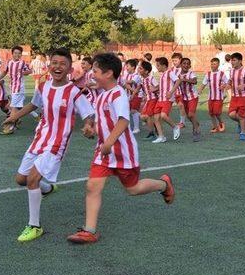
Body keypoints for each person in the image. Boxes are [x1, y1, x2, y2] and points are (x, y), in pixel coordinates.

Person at [67, 53, 175, 244]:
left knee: (133, 189)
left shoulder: (118, 94)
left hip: (123, 153)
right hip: (103, 153)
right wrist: (92, 130)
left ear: (108, 73)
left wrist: (109, 142)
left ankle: (164, 184)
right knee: (92, 186)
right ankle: (89, 230)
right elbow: (104, 123)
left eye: (96, 71)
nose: (92, 75)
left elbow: (123, 120)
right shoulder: (101, 96)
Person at [4, 48, 95, 243]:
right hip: (39, 139)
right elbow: (33, 105)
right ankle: (46, 189)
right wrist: (14, 117)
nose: (58, 67)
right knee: (21, 179)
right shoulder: (43, 87)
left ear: (70, 68)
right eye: (54, 63)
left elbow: (88, 114)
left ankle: (34, 226)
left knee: (32, 180)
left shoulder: (74, 92)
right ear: (49, 65)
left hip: (57, 144)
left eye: (63, 64)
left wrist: (88, 126)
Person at [0, 45, 32, 134]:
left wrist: (23, 72)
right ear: (12, 54)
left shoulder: (22, 63)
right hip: (12, 87)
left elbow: (30, 71)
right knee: (17, 107)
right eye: (15, 53)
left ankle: (10, 127)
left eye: (19, 53)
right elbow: (4, 72)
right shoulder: (9, 62)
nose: (17, 55)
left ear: (21, 54)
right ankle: (17, 119)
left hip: (19, 88)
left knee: (13, 107)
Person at [152, 57, 180, 143]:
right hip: (160, 99)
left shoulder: (169, 72)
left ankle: (175, 127)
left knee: (163, 115)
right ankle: (161, 137)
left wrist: (171, 92)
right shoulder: (162, 74)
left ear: (164, 66)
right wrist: (155, 89)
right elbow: (162, 86)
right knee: (156, 118)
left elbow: (178, 81)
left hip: (167, 99)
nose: (157, 67)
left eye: (158, 65)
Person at [228, 52, 245, 141]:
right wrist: (227, 84)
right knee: (231, 115)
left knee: (242, 115)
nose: (232, 62)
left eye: (234, 60)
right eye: (231, 60)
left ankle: (243, 133)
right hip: (234, 96)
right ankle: (241, 122)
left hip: (243, 96)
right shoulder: (231, 70)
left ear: (240, 61)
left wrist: (244, 86)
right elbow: (230, 80)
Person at [198, 57, 228, 133]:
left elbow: (228, 83)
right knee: (211, 113)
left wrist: (224, 86)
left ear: (218, 65)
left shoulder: (222, 74)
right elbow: (203, 83)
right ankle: (215, 127)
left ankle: (221, 123)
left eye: (215, 64)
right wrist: (199, 90)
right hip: (211, 97)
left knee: (217, 112)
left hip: (219, 97)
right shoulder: (208, 74)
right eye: (212, 64)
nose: (213, 65)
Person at [174, 57, 200, 142]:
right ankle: (196, 124)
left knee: (191, 115)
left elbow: (194, 81)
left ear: (190, 66)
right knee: (189, 116)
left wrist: (184, 79)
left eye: (188, 64)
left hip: (193, 97)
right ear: (181, 64)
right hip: (184, 97)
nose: (186, 65)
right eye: (184, 63)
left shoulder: (191, 73)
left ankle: (196, 131)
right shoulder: (177, 73)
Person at [138, 61, 159, 139]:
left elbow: (158, 87)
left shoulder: (151, 78)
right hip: (148, 100)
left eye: (141, 68)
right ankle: (156, 127)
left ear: (146, 71)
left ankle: (151, 133)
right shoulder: (142, 79)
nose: (139, 70)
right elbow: (145, 89)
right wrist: (145, 95)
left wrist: (154, 89)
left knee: (148, 116)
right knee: (142, 117)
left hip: (153, 99)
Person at [122, 58, 142, 134]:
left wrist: (123, 82)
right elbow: (124, 84)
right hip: (128, 95)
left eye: (127, 66)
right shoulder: (126, 75)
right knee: (127, 112)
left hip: (137, 95)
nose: (126, 68)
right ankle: (128, 128)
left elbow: (131, 82)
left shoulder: (136, 75)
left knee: (133, 111)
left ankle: (136, 128)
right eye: (126, 66)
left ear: (133, 67)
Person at [170, 52, 188, 128]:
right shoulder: (171, 70)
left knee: (181, 106)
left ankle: (182, 122)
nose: (174, 62)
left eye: (176, 60)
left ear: (180, 60)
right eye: (173, 61)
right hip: (172, 91)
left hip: (180, 91)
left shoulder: (183, 69)